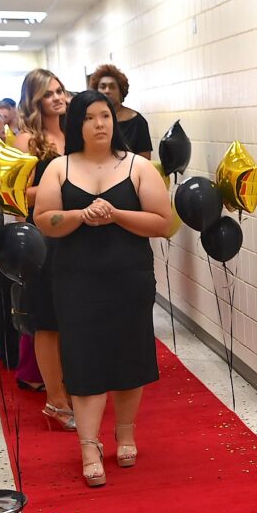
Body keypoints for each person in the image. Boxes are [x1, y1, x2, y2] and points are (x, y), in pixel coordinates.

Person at [34, 90, 171, 487]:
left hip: (128, 277)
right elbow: (44, 220)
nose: (100, 124)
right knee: (83, 358)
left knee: (130, 356)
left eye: (106, 116)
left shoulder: (137, 167)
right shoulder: (59, 167)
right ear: (76, 123)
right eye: (91, 117)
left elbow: (162, 222)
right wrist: (80, 213)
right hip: (76, 278)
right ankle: (88, 445)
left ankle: (125, 432)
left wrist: (114, 214)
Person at [14, 68, 74, 430]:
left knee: (74, 317)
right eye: (48, 93)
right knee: (48, 322)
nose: (57, 98)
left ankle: (70, 388)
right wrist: (62, 185)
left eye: (60, 90)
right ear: (34, 100)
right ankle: (55, 400)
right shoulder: (27, 141)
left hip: (78, 234)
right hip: (43, 237)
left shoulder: (73, 134)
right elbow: (19, 194)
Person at [87, 64, 151, 155]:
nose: (107, 91)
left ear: (121, 92)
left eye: (112, 87)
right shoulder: (88, 119)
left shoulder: (137, 122)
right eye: (102, 86)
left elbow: (145, 159)